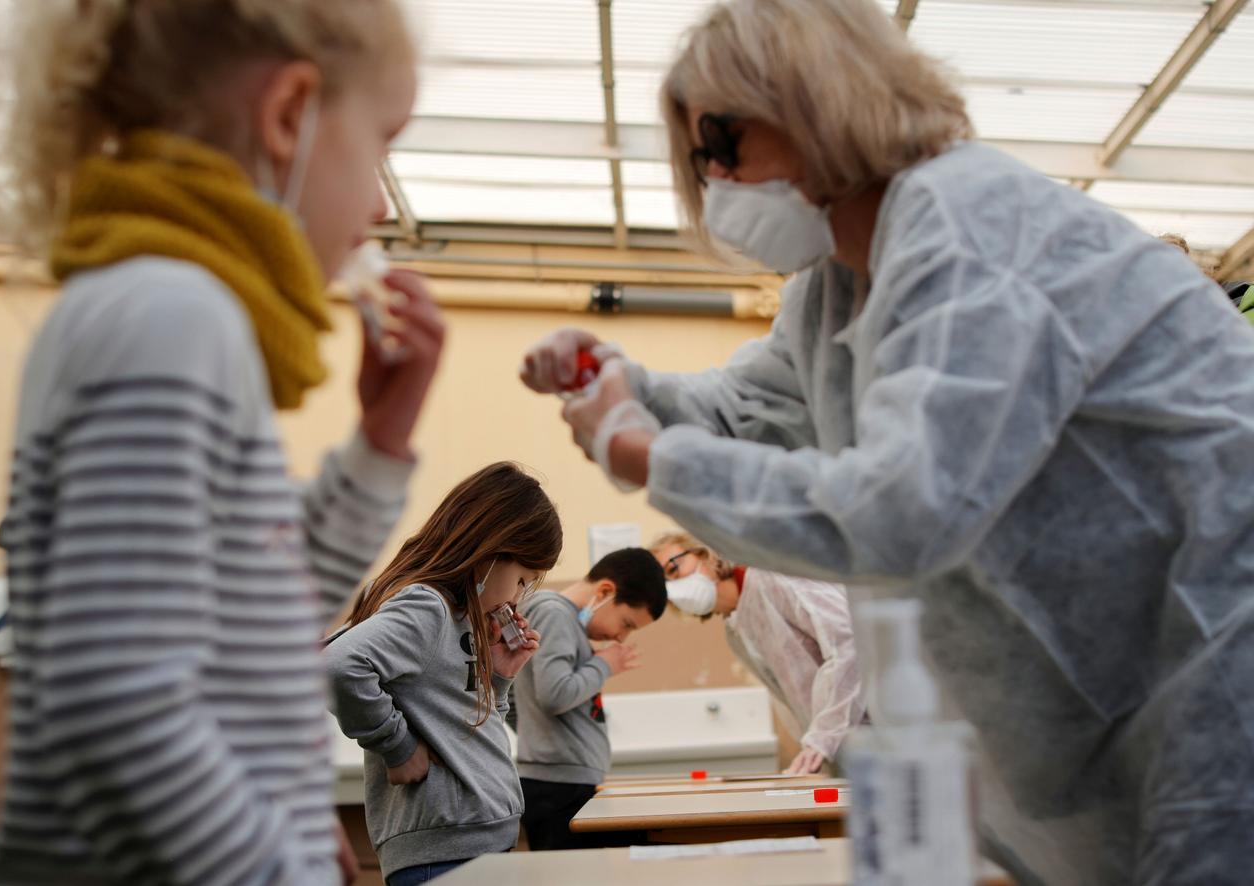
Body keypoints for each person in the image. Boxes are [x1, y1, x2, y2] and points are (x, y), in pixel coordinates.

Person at [518, 2, 1254, 884]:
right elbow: (743, 409)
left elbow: (905, 510)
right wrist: (616, 385)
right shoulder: (833, 287)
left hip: (1212, 682)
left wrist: (652, 457)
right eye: (698, 161)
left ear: (820, 99)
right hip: (1093, 738)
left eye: (723, 143)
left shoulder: (975, 233)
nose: (715, 181)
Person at [0, 2, 441, 884]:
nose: (381, 202)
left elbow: (258, 618)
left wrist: (381, 441)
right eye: (380, 143)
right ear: (287, 116)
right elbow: (117, 709)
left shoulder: (164, 308)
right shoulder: (172, 317)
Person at [324, 463, 561, 885]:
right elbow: (338, 666)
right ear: (491, 550)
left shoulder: (459, 614)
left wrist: (499, 678)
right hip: (446, 850)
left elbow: (456, 719)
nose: (521, 595)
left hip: (476, 842)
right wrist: (396, 746)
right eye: (523, 578)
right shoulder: (426, 606)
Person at [650, 531, 864, 776]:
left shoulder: (774, 578)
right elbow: (797, 697)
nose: (675, 585)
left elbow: (852, 647)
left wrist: (824, 737)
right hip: (840, 748)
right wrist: (815, 747)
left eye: (674, 568)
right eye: (665, 585)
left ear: (705, 553)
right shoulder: (736, 630)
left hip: (876, 727)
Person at [515, 547, 668, 850]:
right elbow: (554, 694)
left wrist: (539, 734)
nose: (622, 637)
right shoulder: (555, 614)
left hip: (562, 780)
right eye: (627, 623)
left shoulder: (562, 619)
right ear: (606, 591)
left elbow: (519, 697)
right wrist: (603, 665)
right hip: (558, 786)